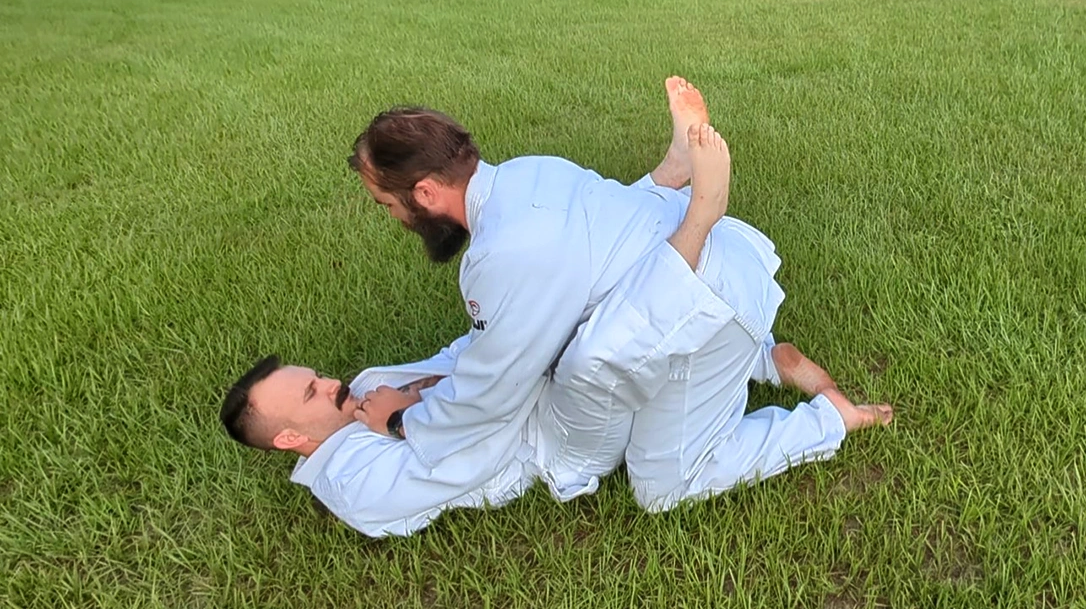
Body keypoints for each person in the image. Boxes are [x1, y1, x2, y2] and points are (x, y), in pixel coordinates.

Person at [219, 111, 892, 536]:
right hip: (697, 307)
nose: (331, 381)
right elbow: (477, 394)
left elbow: (482, 389)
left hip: (694, 314)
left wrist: (406, 415)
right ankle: (681, 205)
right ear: (290, 438)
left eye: (385, 204)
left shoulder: (487, 267)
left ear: (424, 193)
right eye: (312, 390)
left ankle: (823, 407)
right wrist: (407, 410)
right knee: (583, 335)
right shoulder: (526, 175)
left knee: (659, 478)